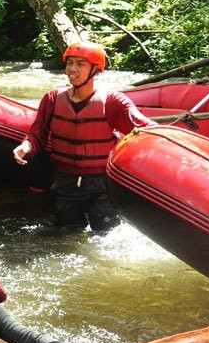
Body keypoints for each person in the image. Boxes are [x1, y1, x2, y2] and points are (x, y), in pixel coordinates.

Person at [12, 42, 153, 231]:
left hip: (103, 183)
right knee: (66, 233)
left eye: (80, 64)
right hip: (66, 181)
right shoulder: (53, 98)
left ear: (96, 70)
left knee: (105, 233)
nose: (72, 69)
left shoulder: (113, 102)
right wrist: (26, 146)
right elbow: (38, 133)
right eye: (70, 63)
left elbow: (146, 131)